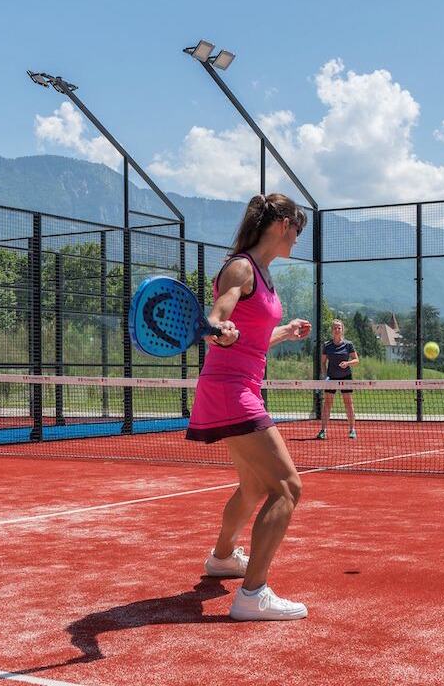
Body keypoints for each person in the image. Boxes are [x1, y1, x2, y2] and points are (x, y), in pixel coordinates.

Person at [185, 193, 312, 621]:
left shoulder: (266, 276)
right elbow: (220, 313)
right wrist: (220, 328)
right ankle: (252, 594)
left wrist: (284, 332)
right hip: (230, 389)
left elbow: (251, 341)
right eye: (298, 229)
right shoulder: (241, 267)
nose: (298, 238)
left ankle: (222, 559)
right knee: (288, 487)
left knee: (256, 486)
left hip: (241, 386)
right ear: (282, 225)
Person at [317, 319, 359, 440]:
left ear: (342, 329)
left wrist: (347, 363)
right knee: (327, 404)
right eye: (335, 328)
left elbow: (356, 360)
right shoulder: (327, 345)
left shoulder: (348, 344)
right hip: (331, 379)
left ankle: (352, 429)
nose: (337, 330)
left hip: (346, 378)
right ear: (332, 330)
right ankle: (323, 430)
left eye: (339, 328)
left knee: (348, 404)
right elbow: (323, 362)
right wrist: (325, 375)